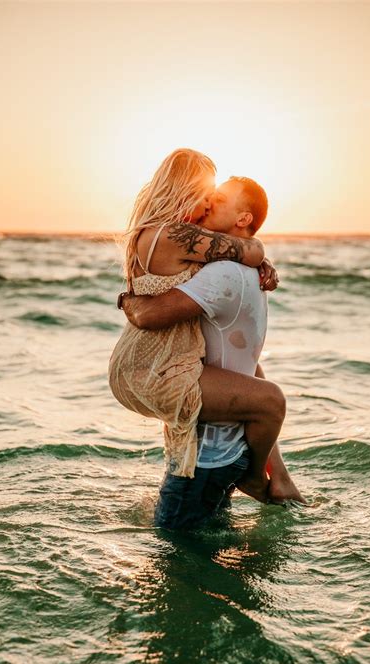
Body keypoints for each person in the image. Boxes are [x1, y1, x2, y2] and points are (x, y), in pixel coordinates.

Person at [120, 176, 306, 529]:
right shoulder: (237, 268)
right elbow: (246, 368)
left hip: (203, 461)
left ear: (242, 219)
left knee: (173, 568)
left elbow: (151, 316)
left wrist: (128, 299)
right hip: (227, 455)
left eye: (219, 199)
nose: (208, 202)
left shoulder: (222, 273)